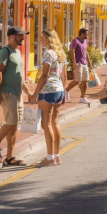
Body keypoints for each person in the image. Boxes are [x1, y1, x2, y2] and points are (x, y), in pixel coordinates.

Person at [0, 26, 31, 167]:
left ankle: (10, 157)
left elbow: (19, 76)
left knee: (14, 126)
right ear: (12, 36)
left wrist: (28, 92)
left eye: (23, 35)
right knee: (11, 123)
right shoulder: (4, 52)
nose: (23, 37)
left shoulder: (17, 52)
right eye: (20, 35)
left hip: (18, 93)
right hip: (8, 92)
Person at [29, 30, 67, 166]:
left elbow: (44, 75)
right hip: (59, 90)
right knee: (55, 123)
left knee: (46, 124)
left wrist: (35, 94)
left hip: (48, 91)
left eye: (42, 38)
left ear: (49, 39)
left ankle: (49, 158)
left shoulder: (48, 53)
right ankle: (56, 156)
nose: (40, 40)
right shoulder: (61, 53)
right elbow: (64, 76)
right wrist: (64, 91)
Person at [65, 28, 92, 104]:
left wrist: (90, 63)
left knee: (85, 81)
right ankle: (66, 90)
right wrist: (74, 63)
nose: (87, 35)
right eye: (86, 34)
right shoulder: (75, 41)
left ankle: (82, 97)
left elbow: (86, 53)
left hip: (84, 63)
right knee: (77, 80)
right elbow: (72, 52)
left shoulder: (85, 41)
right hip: (78, 63)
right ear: (82, 34)